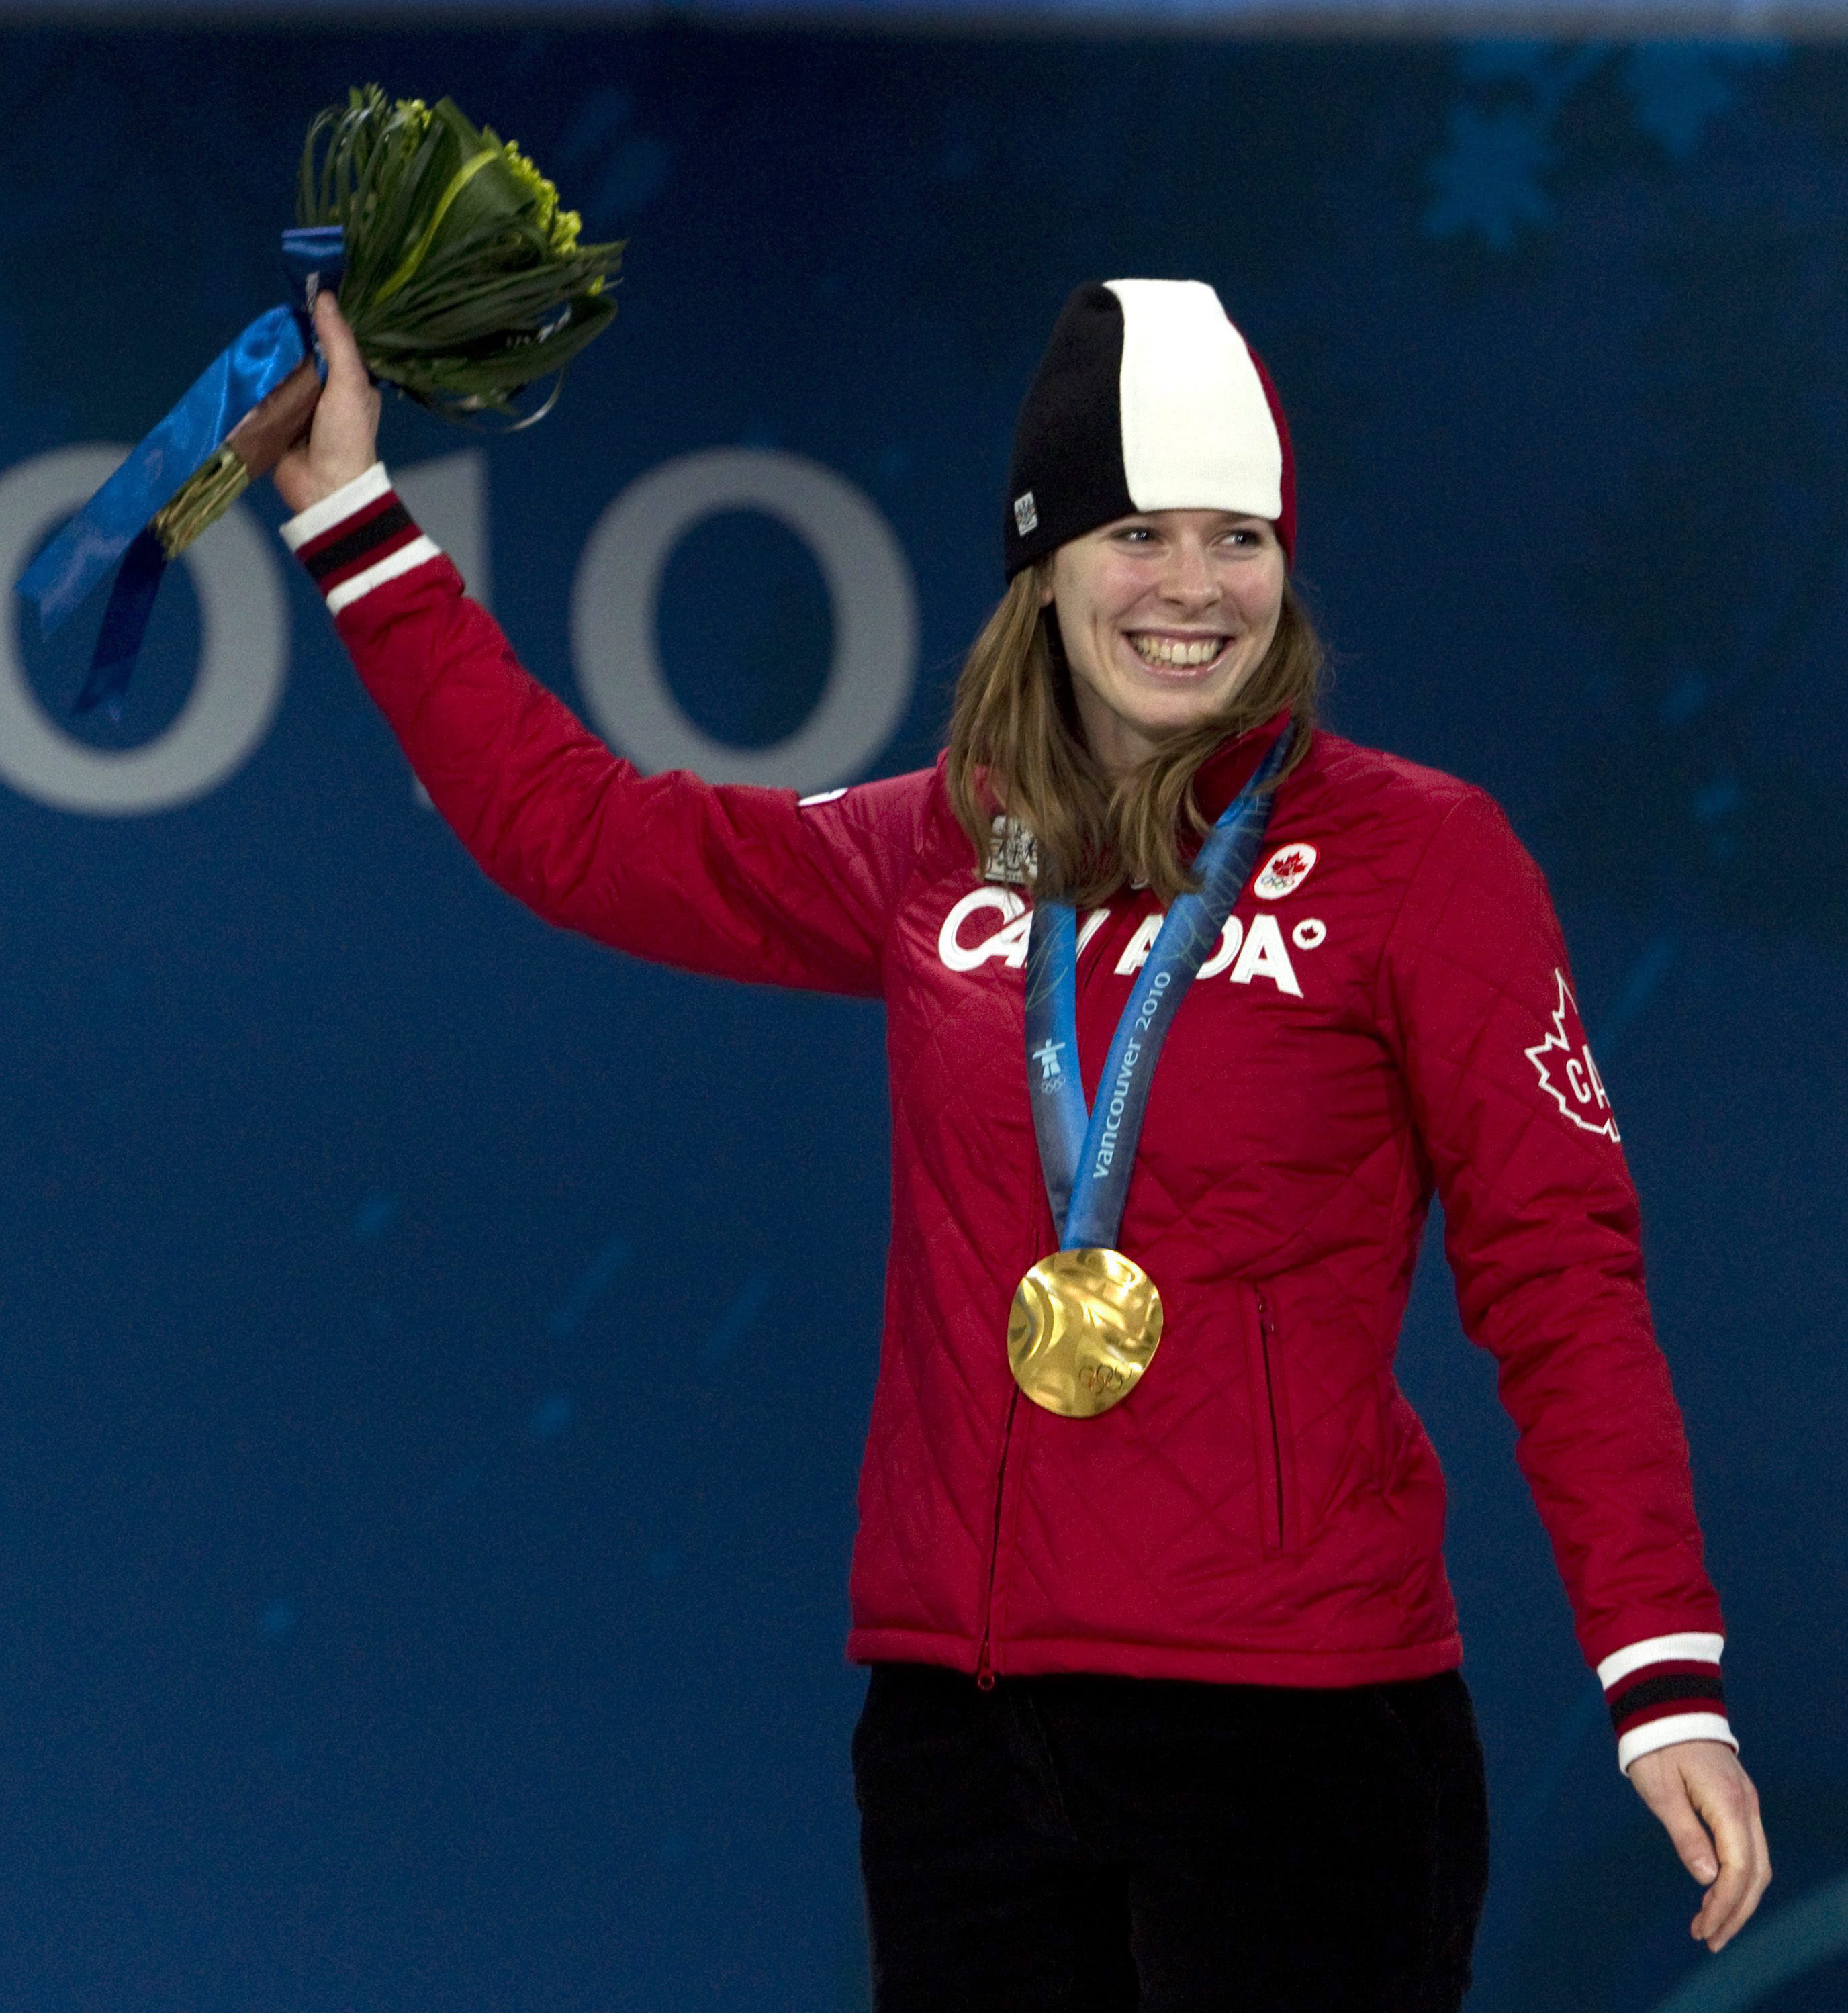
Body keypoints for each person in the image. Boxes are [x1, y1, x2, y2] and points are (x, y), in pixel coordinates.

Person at [274, 277, 1770, 2011]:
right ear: (1046, 563)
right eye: (1139, 533)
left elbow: (1557, 1278)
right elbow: (578, 837)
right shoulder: (937, 849)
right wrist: (352, 515)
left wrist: (1662, 1673)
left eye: (1240, 536)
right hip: (967, 1735)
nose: (1195, 588)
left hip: (1296, 1729)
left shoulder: (1422, 862)